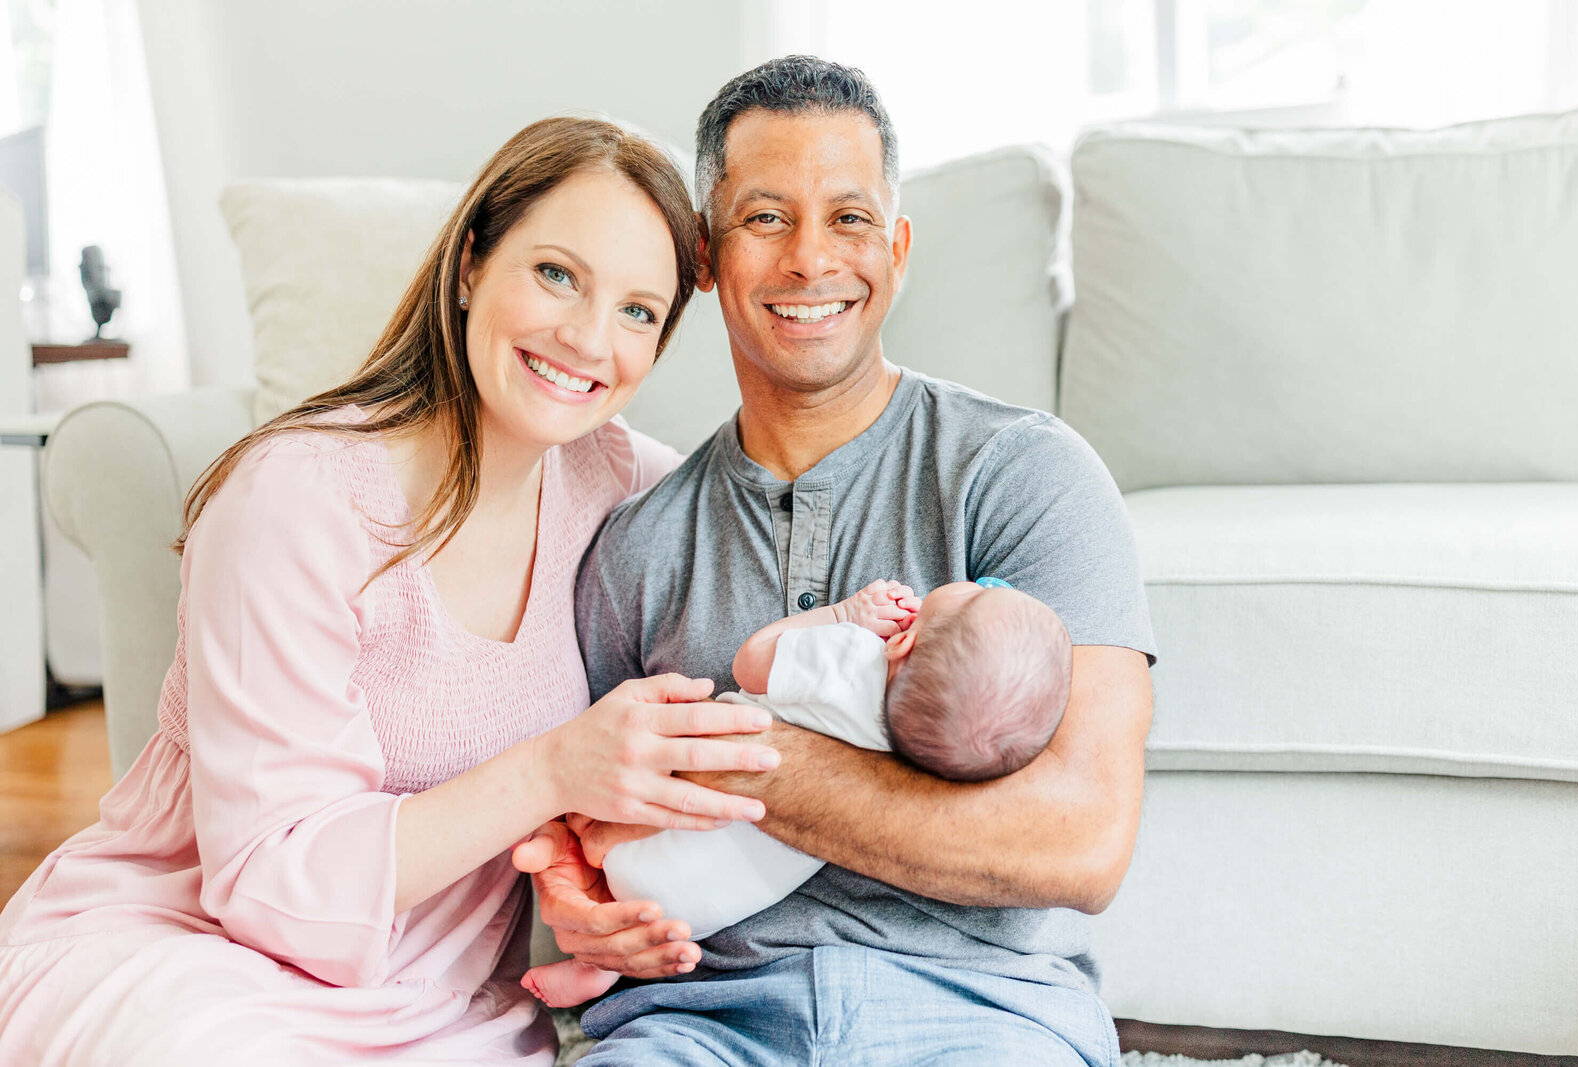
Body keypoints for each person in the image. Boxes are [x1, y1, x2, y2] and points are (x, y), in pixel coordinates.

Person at [0, 117, 782, 1066]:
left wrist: (589, 878)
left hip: (448, 1001)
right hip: (199, 952)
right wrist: (555, 769)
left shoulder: (626, 490)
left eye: (637, 312)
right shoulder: (294, 500)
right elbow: (268, 884)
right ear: (468, 266)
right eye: (557, 275)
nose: (587, 338)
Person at [517, 56, 1158, 1066]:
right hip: (698, 1023)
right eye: (766, 217)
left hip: (980, 1013)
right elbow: (574, 817)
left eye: (849, 219)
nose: (811, 259)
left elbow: (1077, 839)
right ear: (705, 256)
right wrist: (573, 889)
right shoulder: (631, 551)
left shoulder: (1025, 475)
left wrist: (735, 753)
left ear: (896, 251)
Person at [521, 576, 1074, 1008]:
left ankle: (567, 861)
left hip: (654, 842)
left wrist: (842, 616)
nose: (981, 585)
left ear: (903, 639)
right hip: (706, 908)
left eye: (975, 595)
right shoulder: (925, 760)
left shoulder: (850, 658)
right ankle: (598, 968)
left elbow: (753, 660)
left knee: (648, 747)